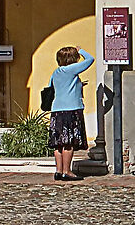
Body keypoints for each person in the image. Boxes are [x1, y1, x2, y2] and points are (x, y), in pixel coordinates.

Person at [42, 43, 95, 180]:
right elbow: (90, 59)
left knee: (58, 143)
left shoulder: (56, 72)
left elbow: (53, 87)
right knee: (68, 142)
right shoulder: (71, 69)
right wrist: (81, 49)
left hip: (57, 110)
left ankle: (58, 171)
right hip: (71, 109)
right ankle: (67, 171)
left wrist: (78, 85)